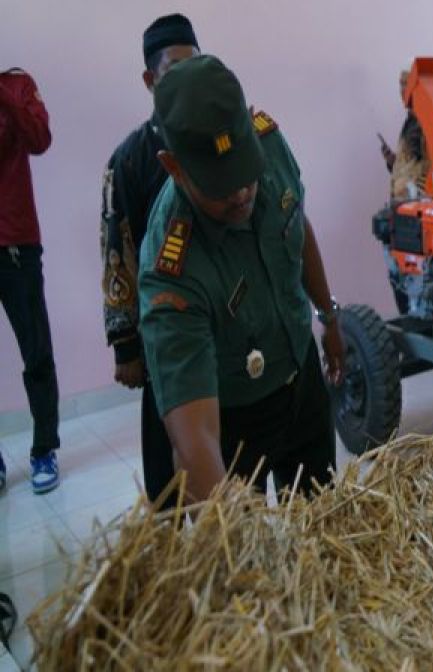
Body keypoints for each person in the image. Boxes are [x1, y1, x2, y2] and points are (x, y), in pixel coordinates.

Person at [138, 55, 344, 503]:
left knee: (324, 526)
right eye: (219, 184)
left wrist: (329, 316)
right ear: (174, 167)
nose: (240, 193)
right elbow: (195, 442)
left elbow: (298, 226)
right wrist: (227, 529)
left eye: (245, 174)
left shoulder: (269, 143)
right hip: (235, 421)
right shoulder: (171, 268)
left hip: (301, 378)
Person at [101, 14, 199, 504]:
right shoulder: (130, 159)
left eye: (196, 66)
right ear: (150, 80)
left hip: (220, 330)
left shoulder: (220, 143)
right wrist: (125, 343)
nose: (188, 80)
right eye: (175, 69)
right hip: (163, 336)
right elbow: (116, 248)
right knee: (168, 473)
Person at [0, 67, 60, 495]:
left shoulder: (17, 84)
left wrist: (5, 96)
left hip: (16, 242)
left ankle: (44, 450)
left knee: (35, 351)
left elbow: (40, 139)